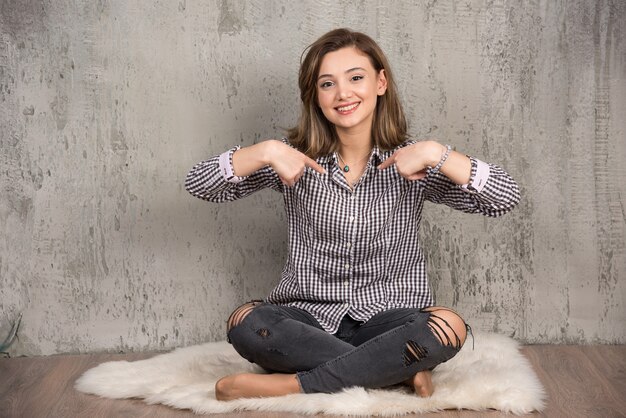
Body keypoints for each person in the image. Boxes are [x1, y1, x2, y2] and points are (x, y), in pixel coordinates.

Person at [185, 28, 520, 401]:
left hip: (388, 320)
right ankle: (394, 372)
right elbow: (199, 184)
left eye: (356, 78)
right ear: (315, 96)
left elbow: (504, 197)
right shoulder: (292, 158)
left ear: (380, 82)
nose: (343, 93)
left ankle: (292, 384)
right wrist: (263, 151)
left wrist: (435, 152)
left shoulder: (414, 162)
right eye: (327, 84)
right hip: (304, 322)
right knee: (247, 322)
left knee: (448, 326)